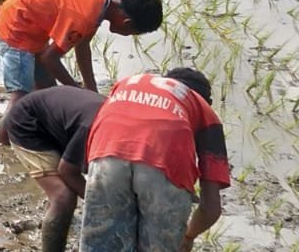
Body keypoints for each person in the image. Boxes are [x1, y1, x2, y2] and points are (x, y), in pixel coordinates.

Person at [0, 0, 163, 143]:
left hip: (32, 25)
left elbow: (82, 46)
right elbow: (49, 59)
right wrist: (76, 90)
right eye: (132, 34)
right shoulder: (85, 16)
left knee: (49, 91)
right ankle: (3, 143)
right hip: (15, 27)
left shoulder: (100, 3)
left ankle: (42, 133)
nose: (127, 36)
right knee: (20, 94)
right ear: (126, 23)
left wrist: (91, 89)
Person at [80, 68, 230, 252]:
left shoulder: (128, 83)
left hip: (107, 151)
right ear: (208, 100)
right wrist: (188, 236)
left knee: (102, 245)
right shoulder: (204, 109)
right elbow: (211, 209)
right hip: (163, 160)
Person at [3, 86, 104, 252]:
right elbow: (67, 170)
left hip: (60, 122)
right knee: (63, 196)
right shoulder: (93, 127)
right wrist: (100, 204)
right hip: (28, 123)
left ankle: (51, 218)